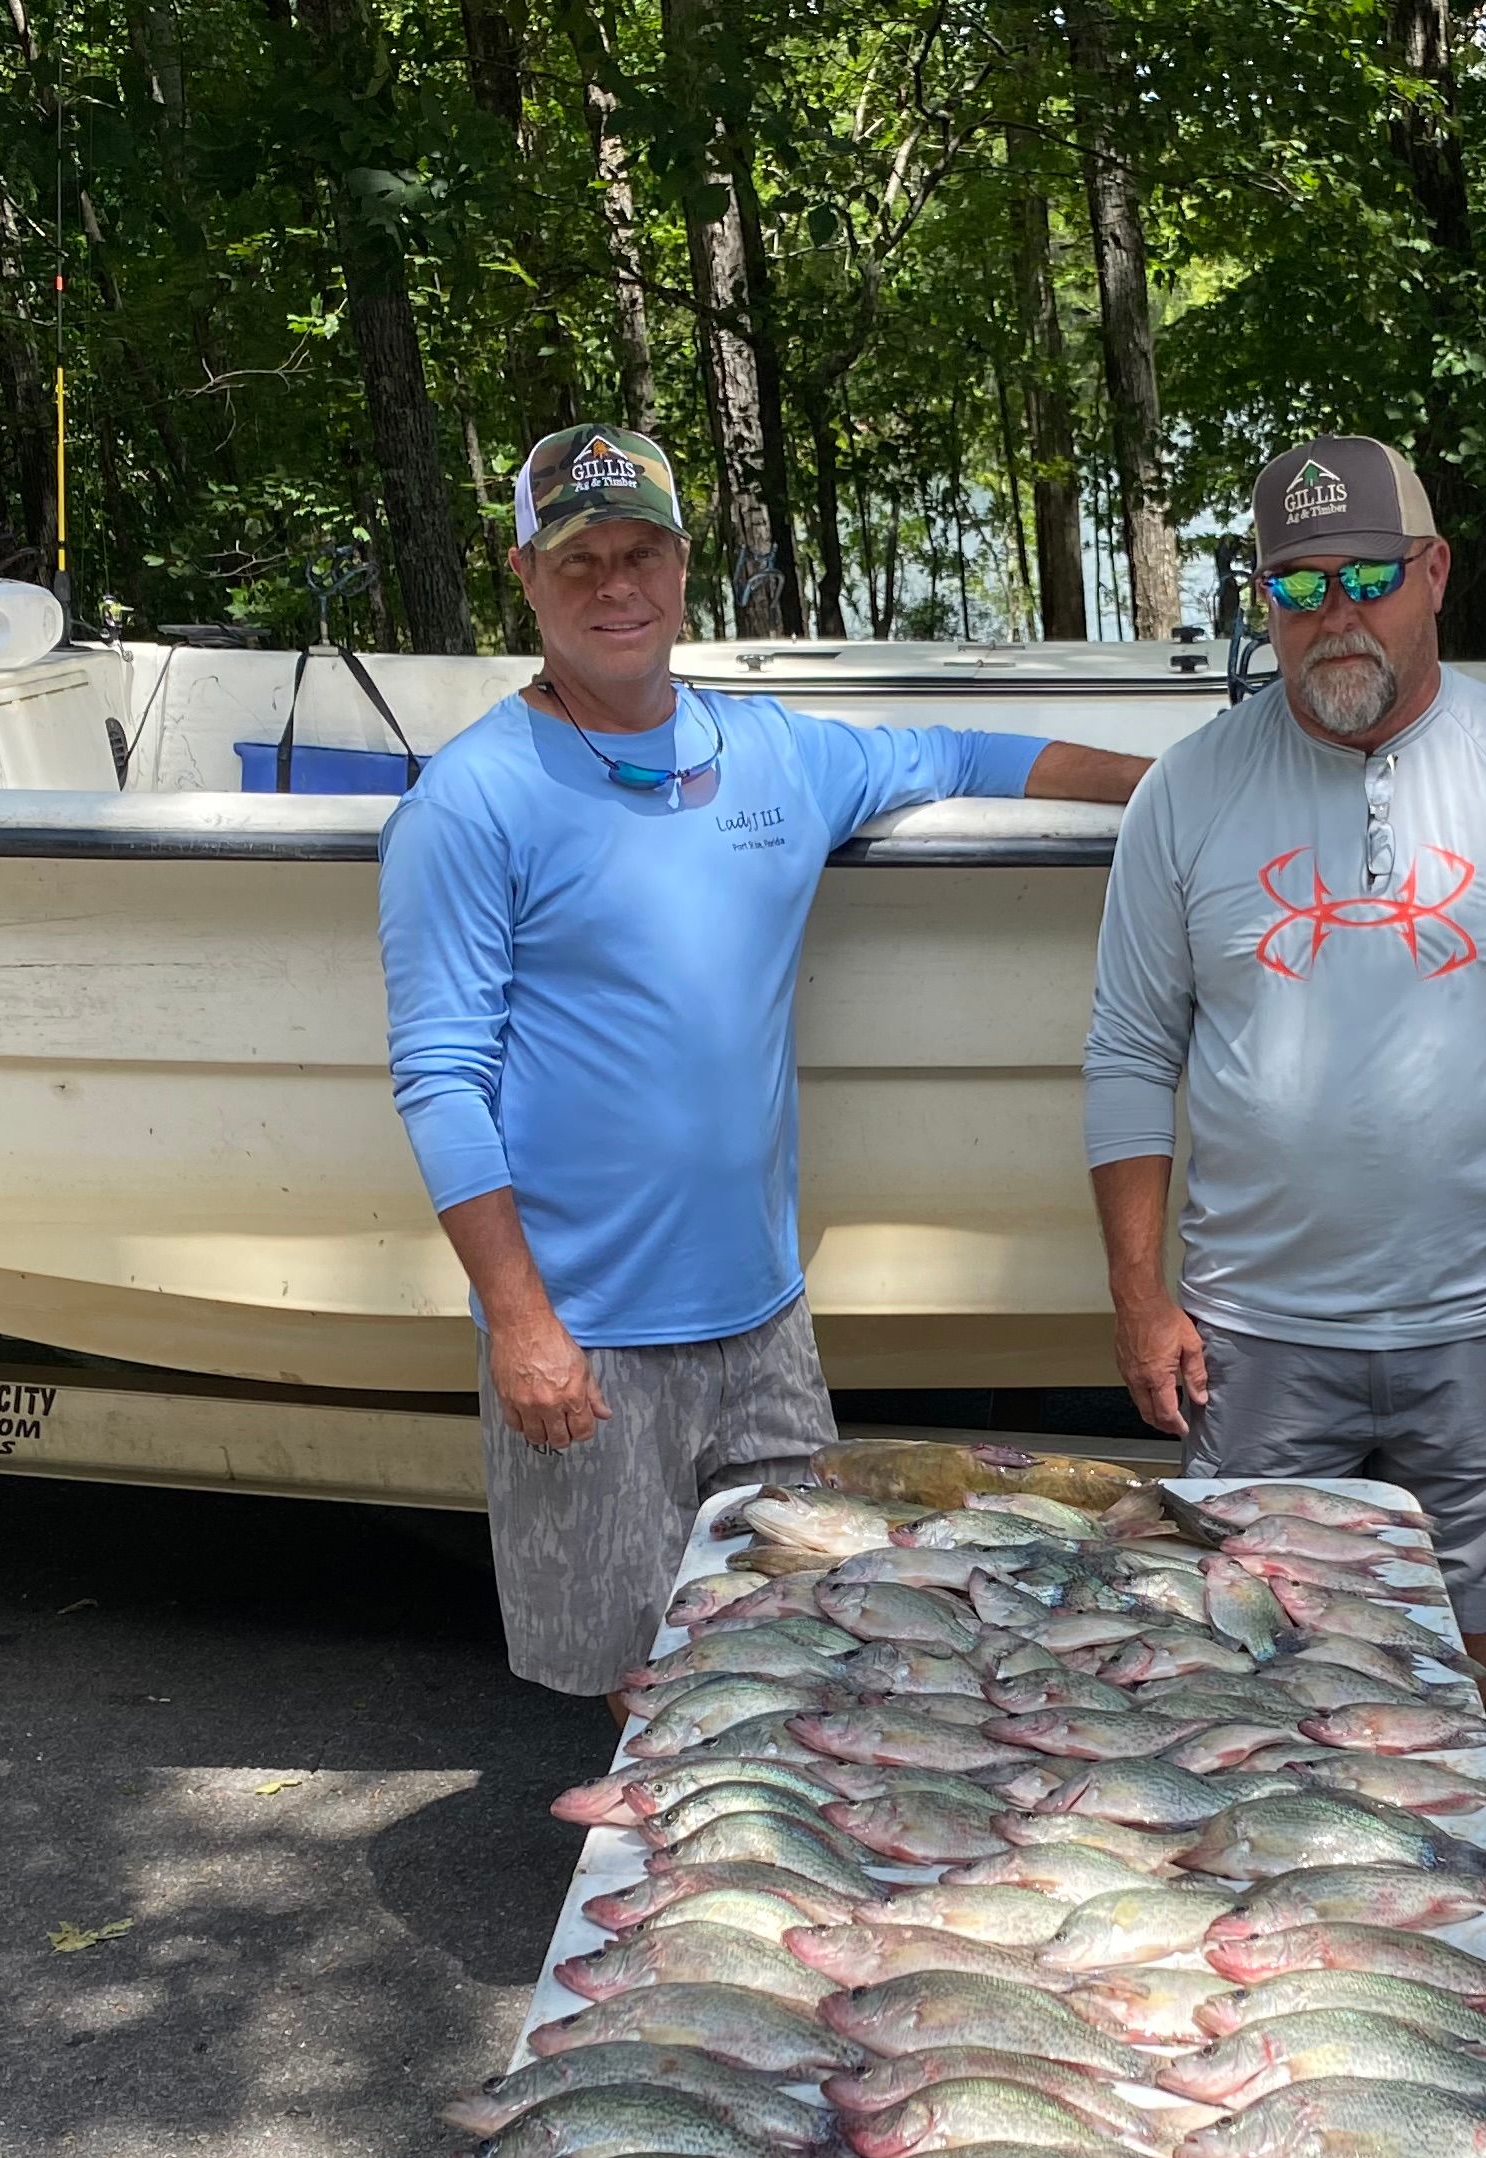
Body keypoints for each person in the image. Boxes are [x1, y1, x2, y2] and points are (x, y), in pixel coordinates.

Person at [380, 424, 1150, 1699]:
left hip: (766, 1321)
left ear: (683, 570)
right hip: (590, 1335)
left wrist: (1183, 789)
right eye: (579, 563)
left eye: (640, 554)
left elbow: (973, 755)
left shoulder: (781, 754)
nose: (614, 586)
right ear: (524, 576)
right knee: (633, 1680)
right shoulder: (470, 801)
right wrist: (522, 1326)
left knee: (802, 1654)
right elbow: (440, 1077)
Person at [1083, 435, 1486, 1657]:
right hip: (1254, 1335)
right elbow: (1131, 1056)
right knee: (1251, 1653)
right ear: (1263, 604)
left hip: (1483, 1326)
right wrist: (1140, 1299)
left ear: (1437, 570)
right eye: (1298, 587)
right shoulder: (1186, 796)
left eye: (1368, 575)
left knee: (1450, 1654)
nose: (1334, 614)